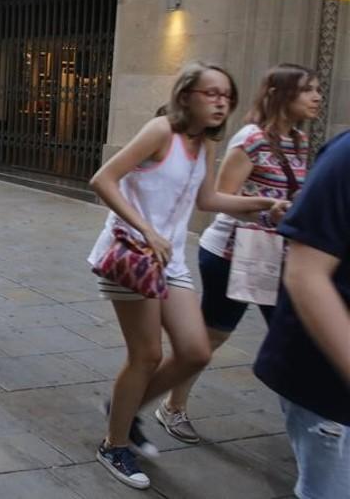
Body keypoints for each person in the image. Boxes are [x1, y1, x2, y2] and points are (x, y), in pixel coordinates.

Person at [87, 62, 289, 491]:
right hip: (131, 254)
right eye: (210, 94)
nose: (220, 102)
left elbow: (209, 199)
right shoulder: (162, 131)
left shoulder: (205, 144)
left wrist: (260, 205)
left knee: (196, 351)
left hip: (171, 261)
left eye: (226, 96)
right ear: (186, 97)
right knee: (146, 356)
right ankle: (114, 443)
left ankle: (124, 406)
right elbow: (104, 179)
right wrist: (146, 228)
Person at [160, 64, 321, 444]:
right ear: (279, 94)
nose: (317, 97)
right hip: (233, 257)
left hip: (277, 257)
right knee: (211, 339)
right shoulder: (250, 140)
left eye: (317, 89)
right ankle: (171, 405)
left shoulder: (298, 140)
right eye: (307, 90)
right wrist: (269, 205)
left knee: (293, 339)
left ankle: (311, 426)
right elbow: (219, 200)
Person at [254, 129, 350, 499]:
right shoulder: (344, 156)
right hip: (329, 388)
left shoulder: (298, 140)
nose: (314, 98)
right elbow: (306, 274)